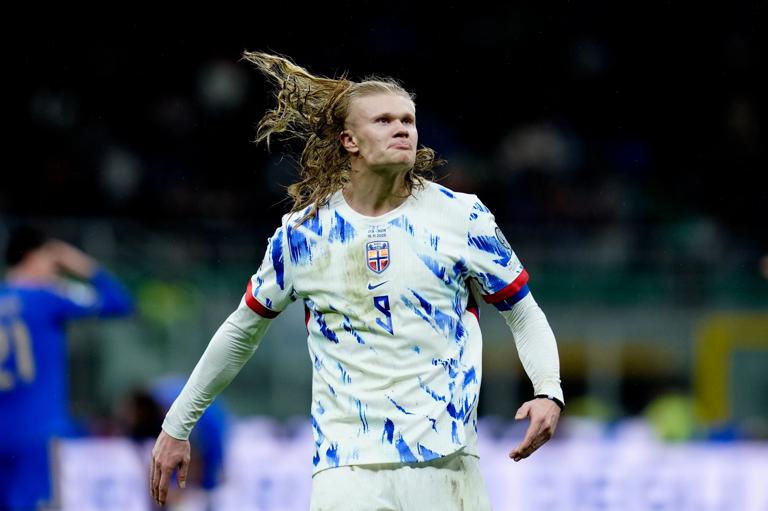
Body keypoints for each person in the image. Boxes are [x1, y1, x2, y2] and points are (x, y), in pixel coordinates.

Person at [150, 52, 564, 510]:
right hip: (346, 465)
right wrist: (177, 426)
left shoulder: (461, 217)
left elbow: (523, 311)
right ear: (349, 140)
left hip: (447, 462)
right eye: (384, 120)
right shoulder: (303, 234)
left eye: (408, 119)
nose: (402, 128)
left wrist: (548, 390)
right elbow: (241, 331)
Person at [0, 225, 134, 511]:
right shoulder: (48, 297)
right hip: (35, 434)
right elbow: (119, 301)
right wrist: (80, 264)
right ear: (34, 257)